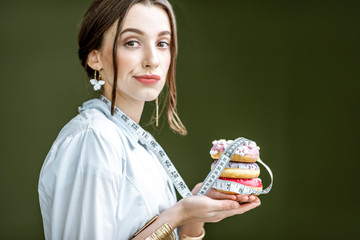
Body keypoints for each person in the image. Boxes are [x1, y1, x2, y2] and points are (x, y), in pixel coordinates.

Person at [38, 0, 261, 239]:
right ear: (95, 58)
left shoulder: (136, 145)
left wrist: (192, 220)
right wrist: (178, 214)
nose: (152, 59)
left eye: (162, 43)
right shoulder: (94, 139)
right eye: (132, 42)